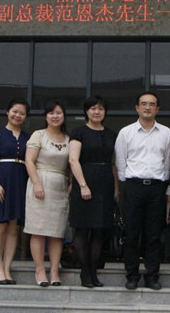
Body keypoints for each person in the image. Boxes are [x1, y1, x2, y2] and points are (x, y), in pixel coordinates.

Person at [115, 92, 170, 290]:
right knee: (131, 233)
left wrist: (164, 182)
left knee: (154, 234)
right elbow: (121, 161)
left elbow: (168, 161)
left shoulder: (166, 133)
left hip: (156, 187)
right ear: (137, 107)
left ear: (157, 109)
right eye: (144, 104)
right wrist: (126, 185)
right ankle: (132, 275)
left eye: (152, 104)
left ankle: (152, 276)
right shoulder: (126, 132)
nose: (148, 107)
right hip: (133, 187)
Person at [68, 96, 118, 288]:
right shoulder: (78, 132)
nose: (97, 112)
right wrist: (82, 185)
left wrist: (116, 188)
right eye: (93, 108)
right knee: (82, 228)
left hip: (105, 183)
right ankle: (84, 272)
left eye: (100, 108)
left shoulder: (112, 134)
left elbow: (113, 163)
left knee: (99, 230)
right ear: (86, 111)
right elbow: (73, 160)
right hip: (85, 181)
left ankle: (94, 271)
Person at [0, 98, 31, 285]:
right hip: (0, 181)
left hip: (20, 181)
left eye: (22, 113)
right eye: (15, 111)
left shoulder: (28, 137)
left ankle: (8, 267)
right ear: (7, 112)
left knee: (13, 227)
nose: (17, 115)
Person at [24, 101, 70, 287]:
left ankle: (55, 271)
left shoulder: (68, 139)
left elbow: (71, 164)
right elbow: (29, 160)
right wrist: (36, 183)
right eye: (51, 113)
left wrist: (71, 185)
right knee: (38, 230)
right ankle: (40, 269)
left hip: (60, 186)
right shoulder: (39, 135)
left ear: (64, 116)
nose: (55, 116)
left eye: (58, 113)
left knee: (57, 232)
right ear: (46, 116)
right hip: (40, 182)